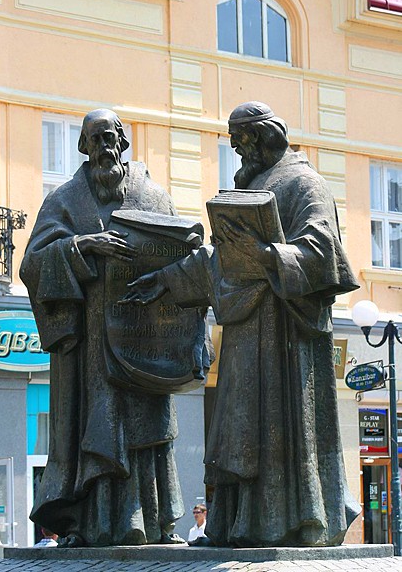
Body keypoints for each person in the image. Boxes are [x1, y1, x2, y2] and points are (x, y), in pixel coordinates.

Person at [122, 101, 362, 548]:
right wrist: (167, 280)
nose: (237, 151)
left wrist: (267, 255)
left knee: (273, 425)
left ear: (264, 136)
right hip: (244, 332)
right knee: (236, 427)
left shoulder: (303, 183)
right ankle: (235, 525)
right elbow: (220, 260)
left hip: (285, 338)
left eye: (241, 141)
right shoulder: (253, 185)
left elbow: (323, 253)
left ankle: (285, 523)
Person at [20, 109, 184, 547]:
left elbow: (179, 259)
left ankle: (151, 520)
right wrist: (83, 246)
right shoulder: (64, 201)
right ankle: (88, 524)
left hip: (145, 337)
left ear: (123, 141)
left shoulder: (153, 195)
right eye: (94, 139)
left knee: (143, 427)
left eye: (110, 137)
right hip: (91, 346)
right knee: (96, 425)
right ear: (83, 147)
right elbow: (31, 264)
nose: (104, 146)